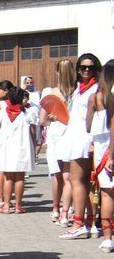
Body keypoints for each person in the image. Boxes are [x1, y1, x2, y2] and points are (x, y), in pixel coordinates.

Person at [58, 53, 102, 239]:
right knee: (84, 182)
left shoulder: (96, 89)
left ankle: (79, 223)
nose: (86, 70)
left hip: (86, 139)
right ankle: (90, 221)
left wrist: (92, 141)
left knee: (77, 180)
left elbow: (97, 118)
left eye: (90, 67)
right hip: (75, 137)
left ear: (96, 69)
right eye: (82, 67)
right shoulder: (79, 89)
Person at [0, 82, 34, 213]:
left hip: (7, 147)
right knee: (20, 177)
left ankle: (5, 206)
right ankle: (18, 206)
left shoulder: (3, 112)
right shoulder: (27, 113)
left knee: (8, 177)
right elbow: (33, 128)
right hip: (22, 148)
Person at [42, 60, 74, 225]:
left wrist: (52, 119)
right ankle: (65, 212)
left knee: (57, 175)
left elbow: (42, 120)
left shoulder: (51, 92)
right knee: (68, 176)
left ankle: (55, 209)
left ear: (56, 72)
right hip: (71, 133)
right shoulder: (77, 92)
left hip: (56, 134)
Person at [94, 60, 114, 252]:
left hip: (105, 150)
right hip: (105, 150)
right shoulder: (104, 96)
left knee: (107, 193)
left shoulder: (99, 96)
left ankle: (108, 238)